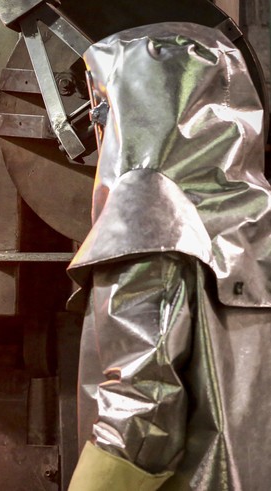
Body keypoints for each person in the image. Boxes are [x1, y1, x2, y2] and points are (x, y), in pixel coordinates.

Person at [68, 22, 271, 490]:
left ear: (132, 107)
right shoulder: (256, 217)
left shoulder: (148, 208)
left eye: (104, 108)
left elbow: (145, 411)